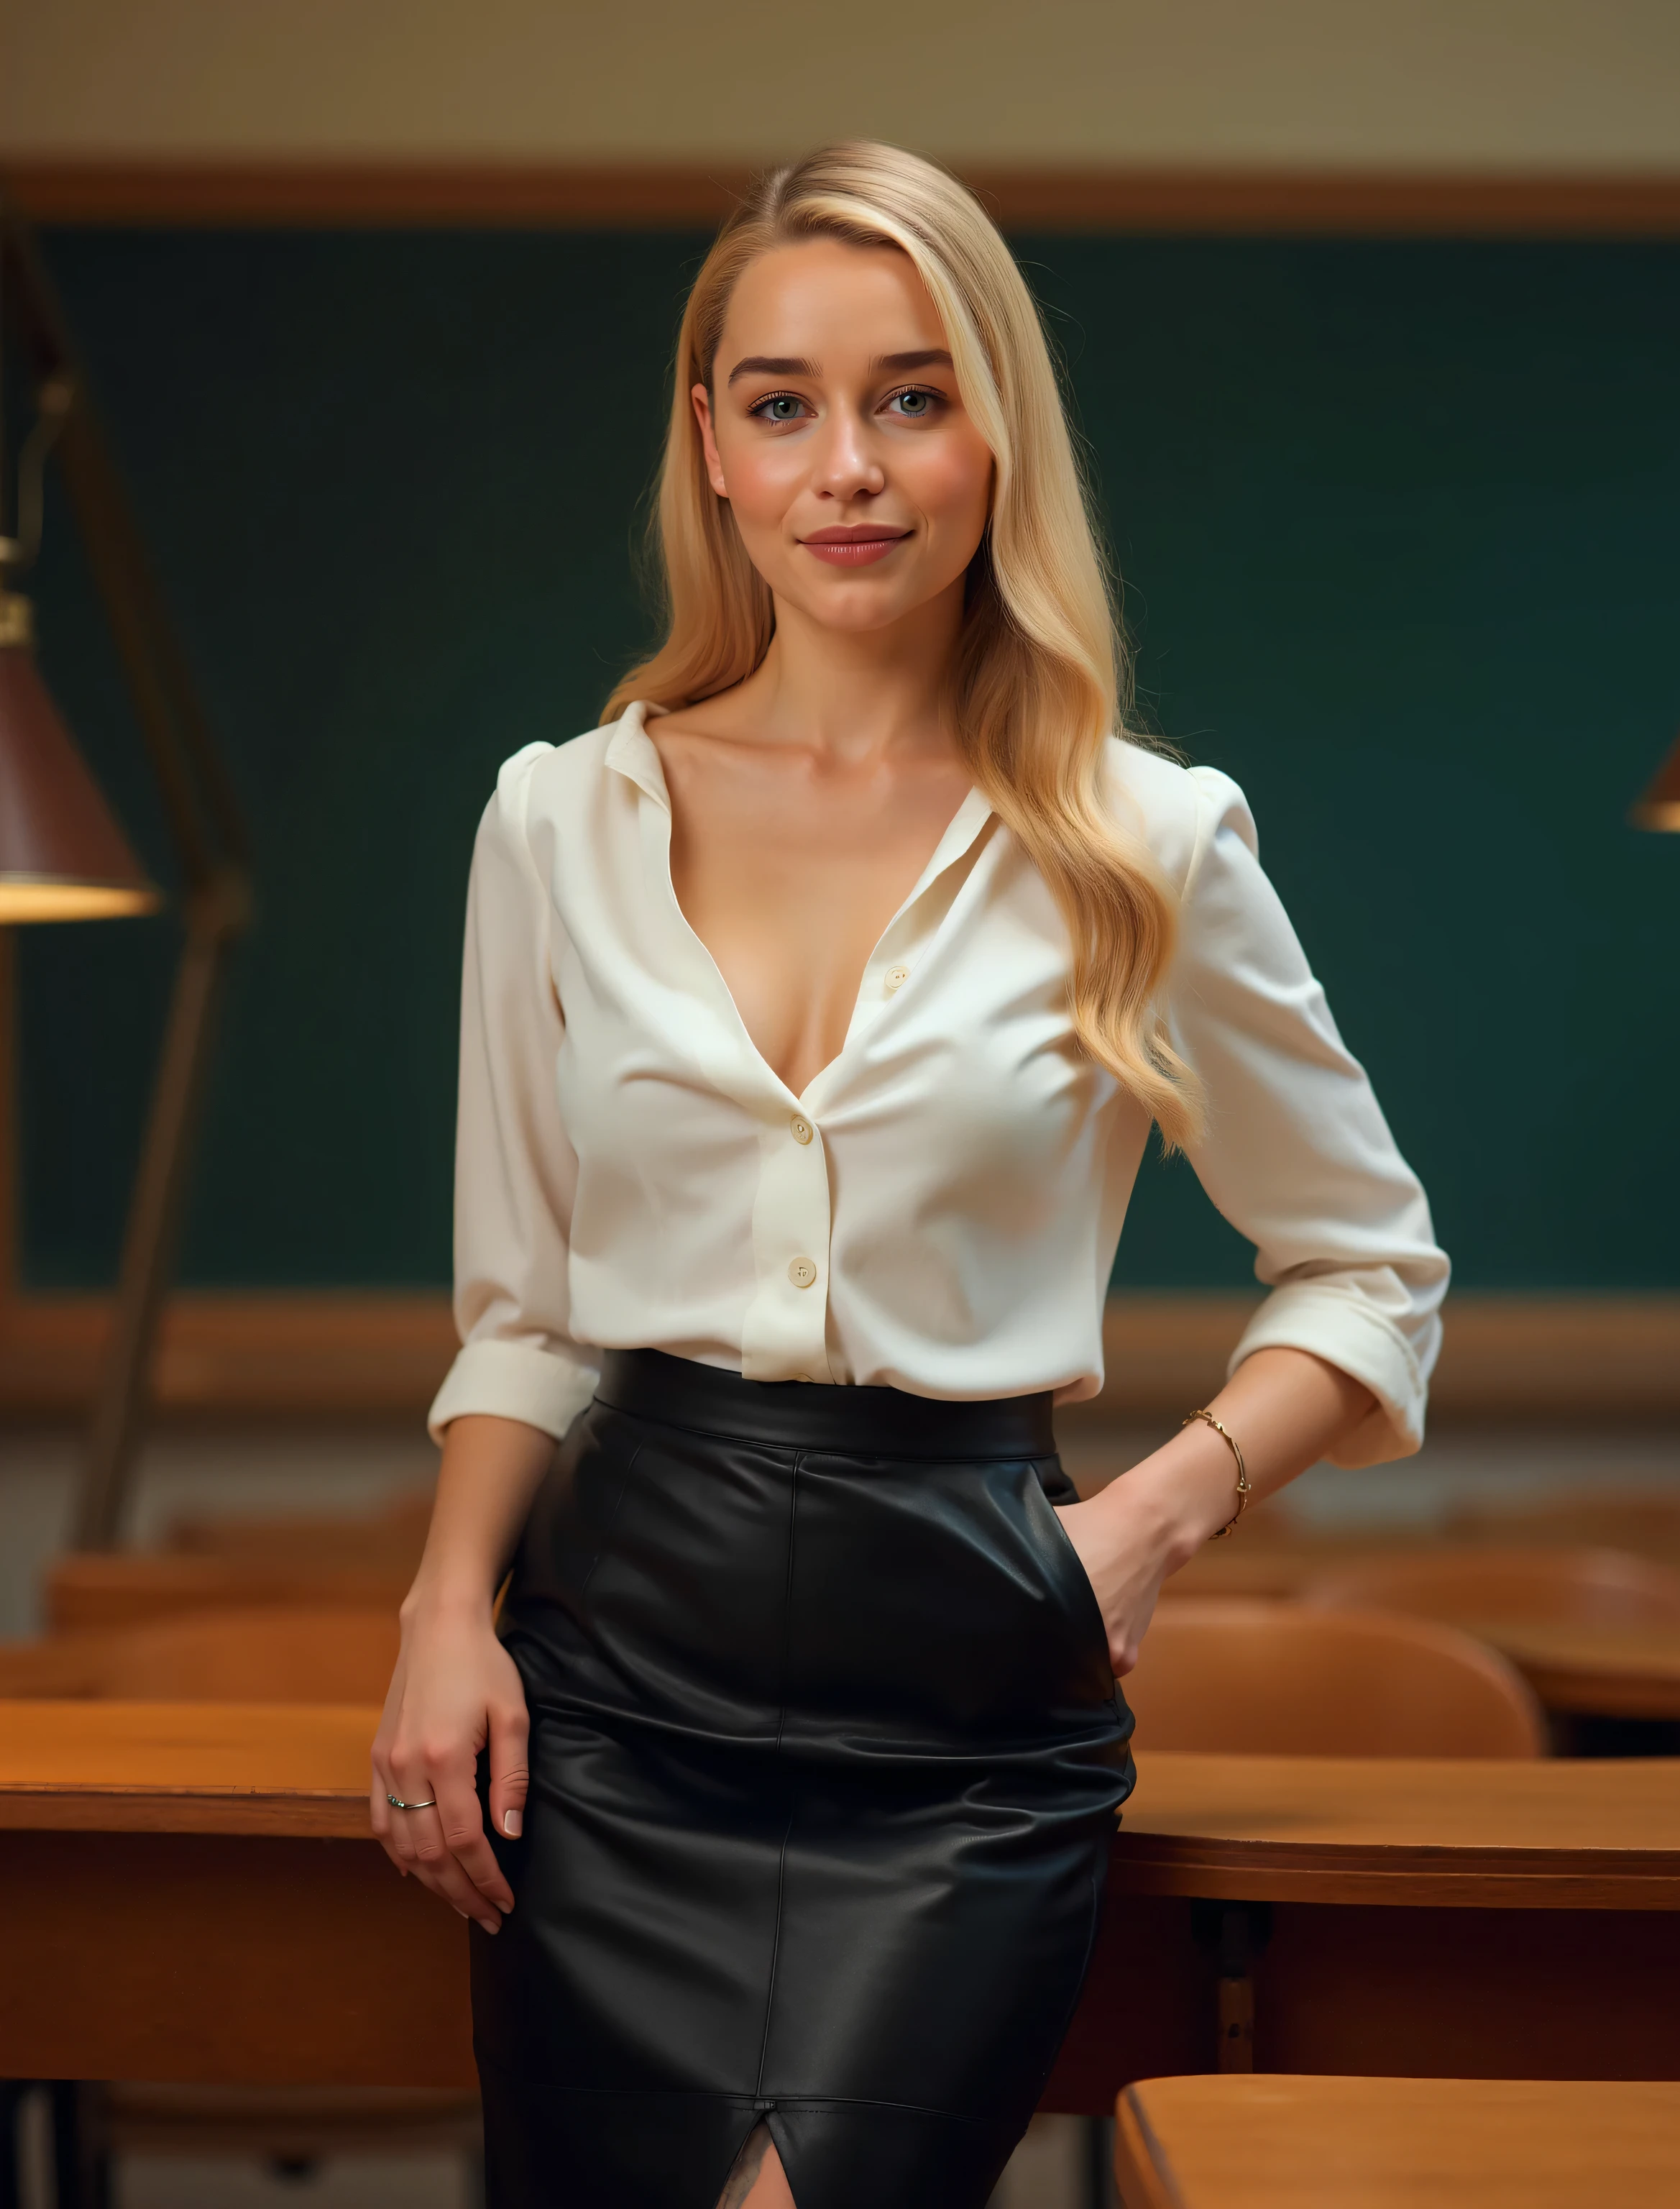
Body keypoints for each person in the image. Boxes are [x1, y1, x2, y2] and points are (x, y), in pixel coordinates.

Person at [371, 141, 1448, 2209]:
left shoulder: (1144, 838)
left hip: (967, 1699)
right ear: (710, 446)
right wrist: (441, 1612)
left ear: (995, 439)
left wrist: (1146, 1522)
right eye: (783, 403)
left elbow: (1368, 1270)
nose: (846, 466)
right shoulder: (555, 822)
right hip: (614, 1679)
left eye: (913, 396)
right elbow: (522, 1311)